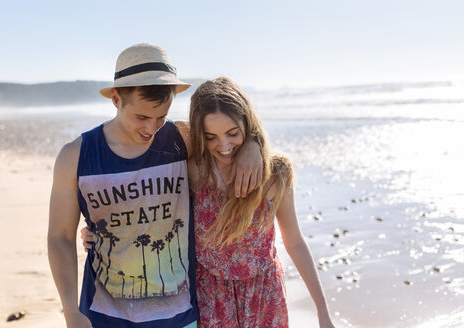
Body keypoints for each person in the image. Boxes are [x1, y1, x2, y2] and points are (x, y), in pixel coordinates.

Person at [82, 77, 336, 327]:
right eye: (210, 136)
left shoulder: (275, 174)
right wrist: (105, 230)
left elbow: (295, 242)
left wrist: (322, 312)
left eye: (233, 133)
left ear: (248, 125)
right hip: (210, 299)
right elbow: (149, 208)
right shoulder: (193, 172)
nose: (224, 145)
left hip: (264, 294)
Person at [48, 44, 263, 328]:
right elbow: (59, 237)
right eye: (141, 117)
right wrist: (70, 311)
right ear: (116, 99)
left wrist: (253, 144)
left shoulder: (181, 138)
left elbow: (228, 136)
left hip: (180, 316)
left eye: (161, 116)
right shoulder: (76, 156)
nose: (152, 128)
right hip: (104, 315)